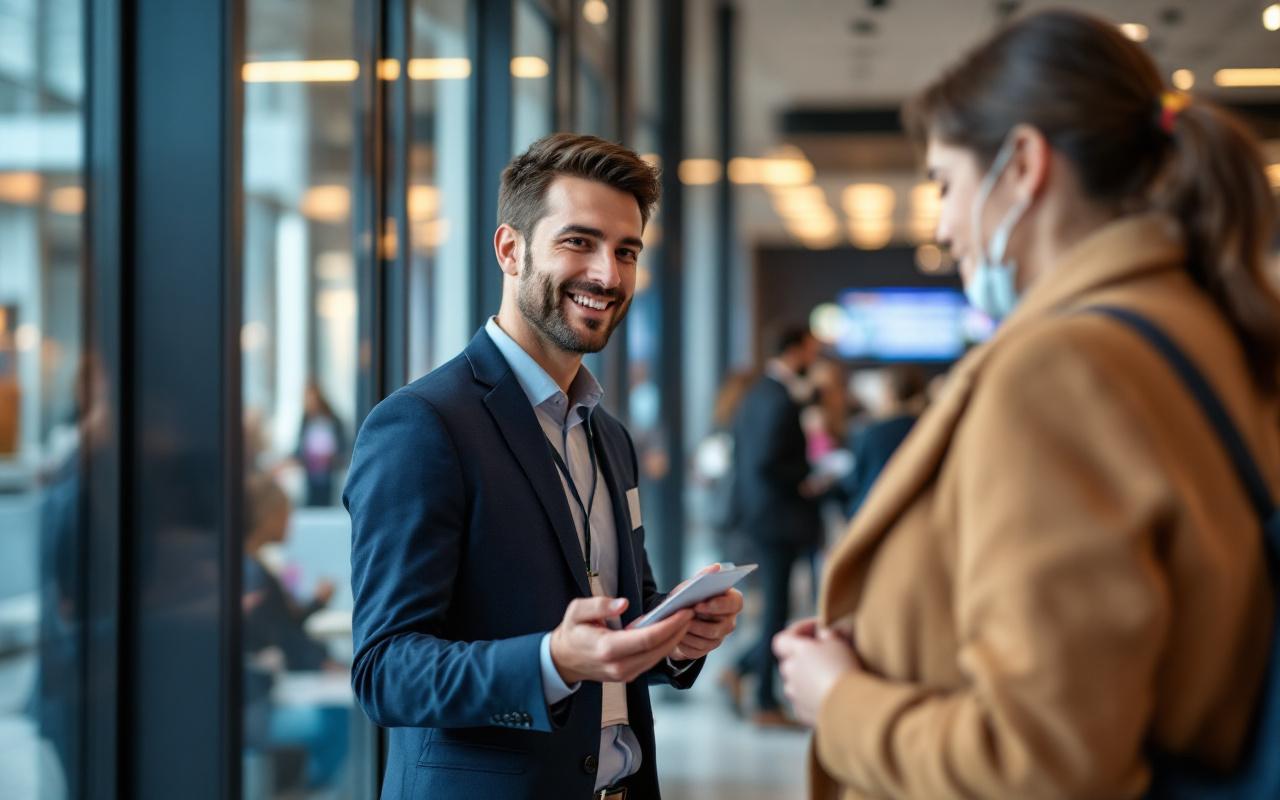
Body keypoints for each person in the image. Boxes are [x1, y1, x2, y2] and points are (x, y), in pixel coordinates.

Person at [774, 9, 1280, 799]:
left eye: (945, 182)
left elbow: (1041, 760)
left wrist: (841, 702)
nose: (942, 224)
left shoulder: (1061, 370)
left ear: (1022, 166)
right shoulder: (1205, 328)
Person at [344, 133, 743, 800]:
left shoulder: (609, 436)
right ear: (510, 249)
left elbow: (620, 629)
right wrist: (548, 661)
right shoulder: (422, 426)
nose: (608, 276)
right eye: (578, 242)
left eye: (626, 252)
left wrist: (675, 637)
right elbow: (386, 671)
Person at [721, 326, 824, 727]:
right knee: (776, 612)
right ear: (795, 350)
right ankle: (764, 701)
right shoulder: (778, 398)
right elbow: (767, 460)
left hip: (759, 515)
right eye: (811, 351)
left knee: (775, 612)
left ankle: (745, 674)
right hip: (777, 518)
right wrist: (805, 476)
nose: (814, 359)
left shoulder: (756, 393)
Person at [242, 473, 347, 790]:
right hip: (254, 709)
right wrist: (320, 663)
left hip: (261, 696)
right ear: (268, 515)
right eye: (286, 511)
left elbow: (282, 627)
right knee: (338, 720)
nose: (291, 521)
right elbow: (279, 636)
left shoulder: (252, 569)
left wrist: (315, 603)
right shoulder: (252, 577)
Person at [839, 364, 928, 520]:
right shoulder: (928, 428)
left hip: (872, 515)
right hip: (918, 516)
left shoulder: (871, 432)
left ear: (889, 392)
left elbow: (854, 481)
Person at [295, 381, 346, 507]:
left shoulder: (333, 419)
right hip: (310, 472)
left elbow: (342, 446)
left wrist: (333, 456)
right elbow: (299, 445)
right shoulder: (305, 419)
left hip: (328, 472)